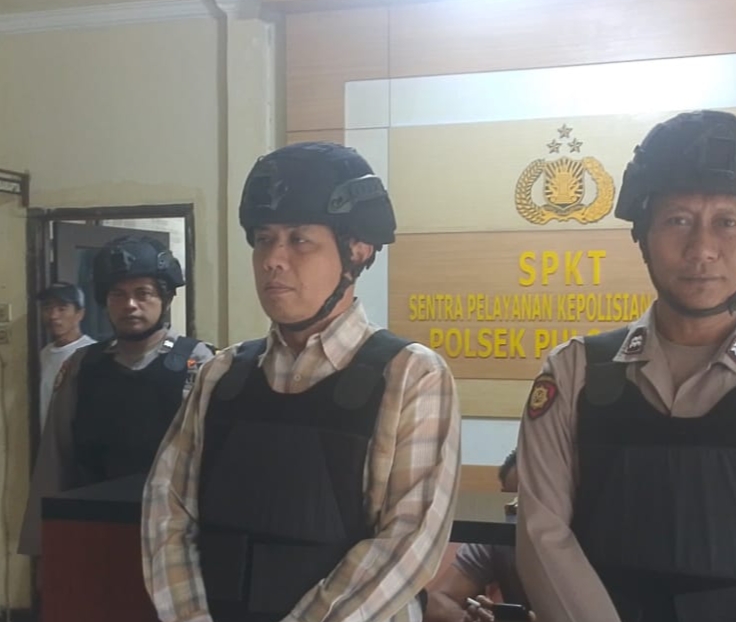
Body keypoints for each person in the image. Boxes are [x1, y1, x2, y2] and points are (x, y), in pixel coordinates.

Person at [516, 110, 736, 622]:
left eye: (727, 222)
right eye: (677, 220)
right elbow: (542, 538)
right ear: (643, 233)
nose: (702, 249)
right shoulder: (574, 374)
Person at [142, 142, 461, 622]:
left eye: (299, 240)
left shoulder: (411, 375)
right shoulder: (220, 375)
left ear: (357, 249)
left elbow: (407, 542)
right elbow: (166, 516)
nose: (273, 259)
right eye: (263, 239)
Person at [19, 235, 214, 556]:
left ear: (165, 299)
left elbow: (213, 463)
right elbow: (55, 457)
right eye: (118, 294)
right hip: (94, 531)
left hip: (174, 537)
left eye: (143, 293)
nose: (130, 304)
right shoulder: (83, 365)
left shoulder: (197, 362)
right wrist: (44, 543)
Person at [426, 451, 529, 622]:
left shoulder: (573, 537)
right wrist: (466, 618)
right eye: (513, 503)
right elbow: (436, 601)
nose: (520, 515)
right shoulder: (497, 534)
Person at [36, 282, 95, 428]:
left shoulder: (92, 352)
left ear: (79, 313)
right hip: (48, 437)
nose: (53, 316)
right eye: (47, 308)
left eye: (62, 308)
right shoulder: (44, 354)